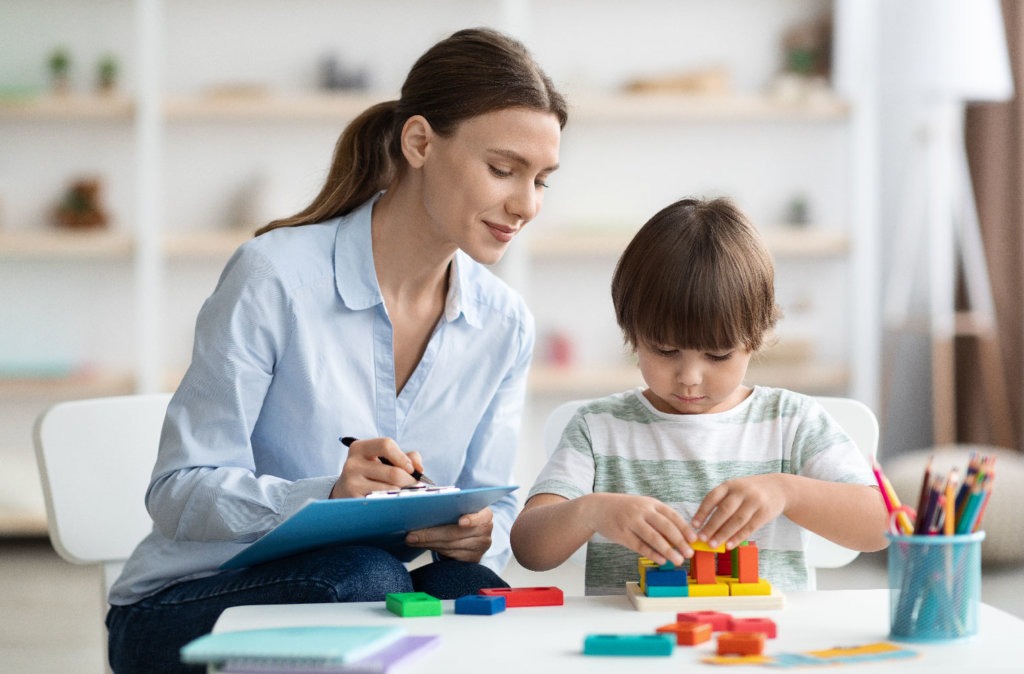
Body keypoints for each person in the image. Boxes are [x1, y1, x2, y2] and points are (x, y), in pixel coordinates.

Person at [106, 27, 566, 673]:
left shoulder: (504, 324)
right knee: (368, 580)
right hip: (182, 611)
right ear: (419, 142)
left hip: (364, 592)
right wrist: (324, 496)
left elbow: (494, 506)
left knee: (471, 595)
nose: (526, 204)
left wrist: (476, 535)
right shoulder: (274, 277)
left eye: (543, 179)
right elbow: (178, 491)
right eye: (502, 169)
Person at [510, 197, 888, 596]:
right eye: (665, 351)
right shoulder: (599, 428)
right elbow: (529, 549)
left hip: (757, 645)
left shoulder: (791, 421)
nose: (689, 378)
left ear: (755, 339)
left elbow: (882, 526)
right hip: (631, 646)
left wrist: (787, 491)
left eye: (718, 355)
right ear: (632, 332)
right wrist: (591, 512)